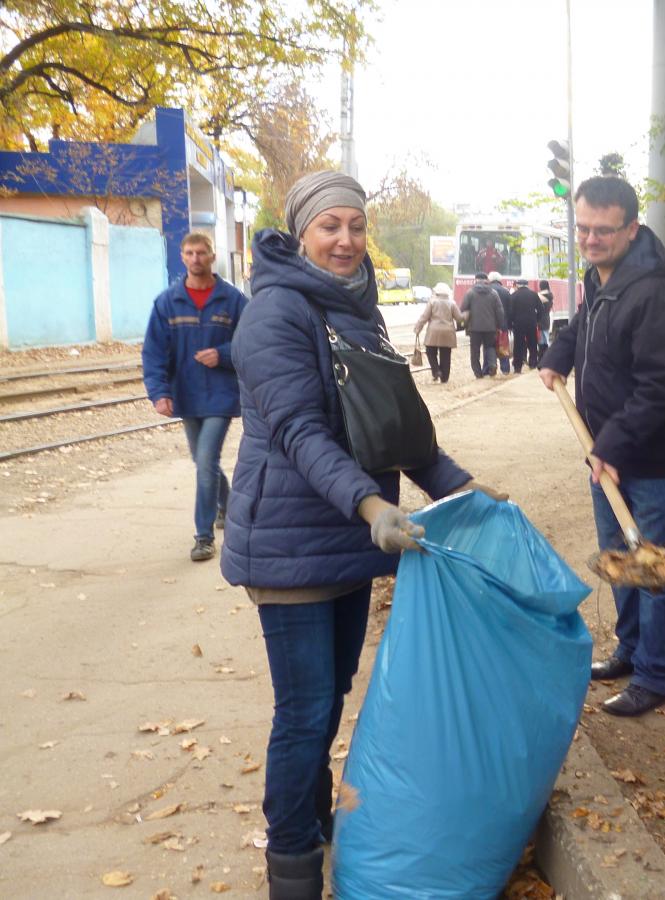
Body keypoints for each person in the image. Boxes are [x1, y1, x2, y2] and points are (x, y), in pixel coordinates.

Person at [220, 170, 505, 899]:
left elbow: (396, 424)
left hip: (348, 543)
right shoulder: (276, 314)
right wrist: (371, 507)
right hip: (292, 548)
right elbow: (296, 431)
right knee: (306, 712)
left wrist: (463, 491)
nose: (345, 240)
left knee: (330, 699)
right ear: (301, 232)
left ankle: (312, 831)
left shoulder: (358, 310)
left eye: (354, 225)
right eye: (329, 227)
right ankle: (291, 868)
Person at [539, 176, 665, 718]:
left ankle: (656, 675)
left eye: (603, 230)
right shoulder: (604, 278)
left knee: (656, 569)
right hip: (611, 451)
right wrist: (557, 354)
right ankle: (631, 652)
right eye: (583, 228)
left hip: (658, 459)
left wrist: (610, 445)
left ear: (632, 228)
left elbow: (662, 386)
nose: (591, 239)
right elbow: (588, 326)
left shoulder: (659, 293)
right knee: (622, 562)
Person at [142, 231, 248, 562]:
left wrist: (223, 354)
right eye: (189, 253)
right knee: (202, 460)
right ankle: (226, 504)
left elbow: (253, 342)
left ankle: (203, 537)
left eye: (201, 252)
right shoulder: (167, 303)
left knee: (205, 462)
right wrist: (159, 392)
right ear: (182, 256)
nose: (195, 258)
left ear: (212, 257)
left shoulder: (232, 300)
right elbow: (154, 352)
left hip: (221, 395)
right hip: (186, 394)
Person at [414, 281, 464, 384]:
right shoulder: (452, 303)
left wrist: (418, 328)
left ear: (436, 292)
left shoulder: (432, 302)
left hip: (433, 332)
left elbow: (424, 317)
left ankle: (436, 370)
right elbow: (459, 318)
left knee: (430, 352)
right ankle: (444, 377)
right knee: (446, 355)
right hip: (448, 332)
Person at [461, 272, 505, 378]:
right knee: (490, 347)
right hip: (490, 327)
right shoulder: (494, 293)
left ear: (475, 280)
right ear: (487, 281)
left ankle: (478, 373)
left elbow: (463, 309)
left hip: (474, 328)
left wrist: (463, 324)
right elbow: (500, 311)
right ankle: (492, 364)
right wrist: (499, 325)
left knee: (475, 350)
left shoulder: (470, 293)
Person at [508, 278, 541, 373]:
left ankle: (518, 367)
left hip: (518, 324)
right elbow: (541, 310)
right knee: (532, 343)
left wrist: (510, 324)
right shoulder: (534, 295)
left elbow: (510, 312)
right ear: (527, 285)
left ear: (517, 285)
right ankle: (533, 363)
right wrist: (537, 320)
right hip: (531, 323)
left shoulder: (513, 296)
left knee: (518, 345)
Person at [488, 271, 514, 375]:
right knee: (503, 347)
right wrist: (510, 325)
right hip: (503, 325)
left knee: (489, 347)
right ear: (500, 280)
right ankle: (505, 369)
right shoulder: (506, 291)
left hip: (489, 325)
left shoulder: (488, 290)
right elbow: (510, 309)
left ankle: (489, 367)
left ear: (489, 280)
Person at [536, 278, 554, 354]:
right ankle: (546, 354)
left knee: (542, 340)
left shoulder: (539, 296)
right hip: (547, 319)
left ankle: (543, 355)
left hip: (540, 319)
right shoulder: (550, 295)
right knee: (545, 338)